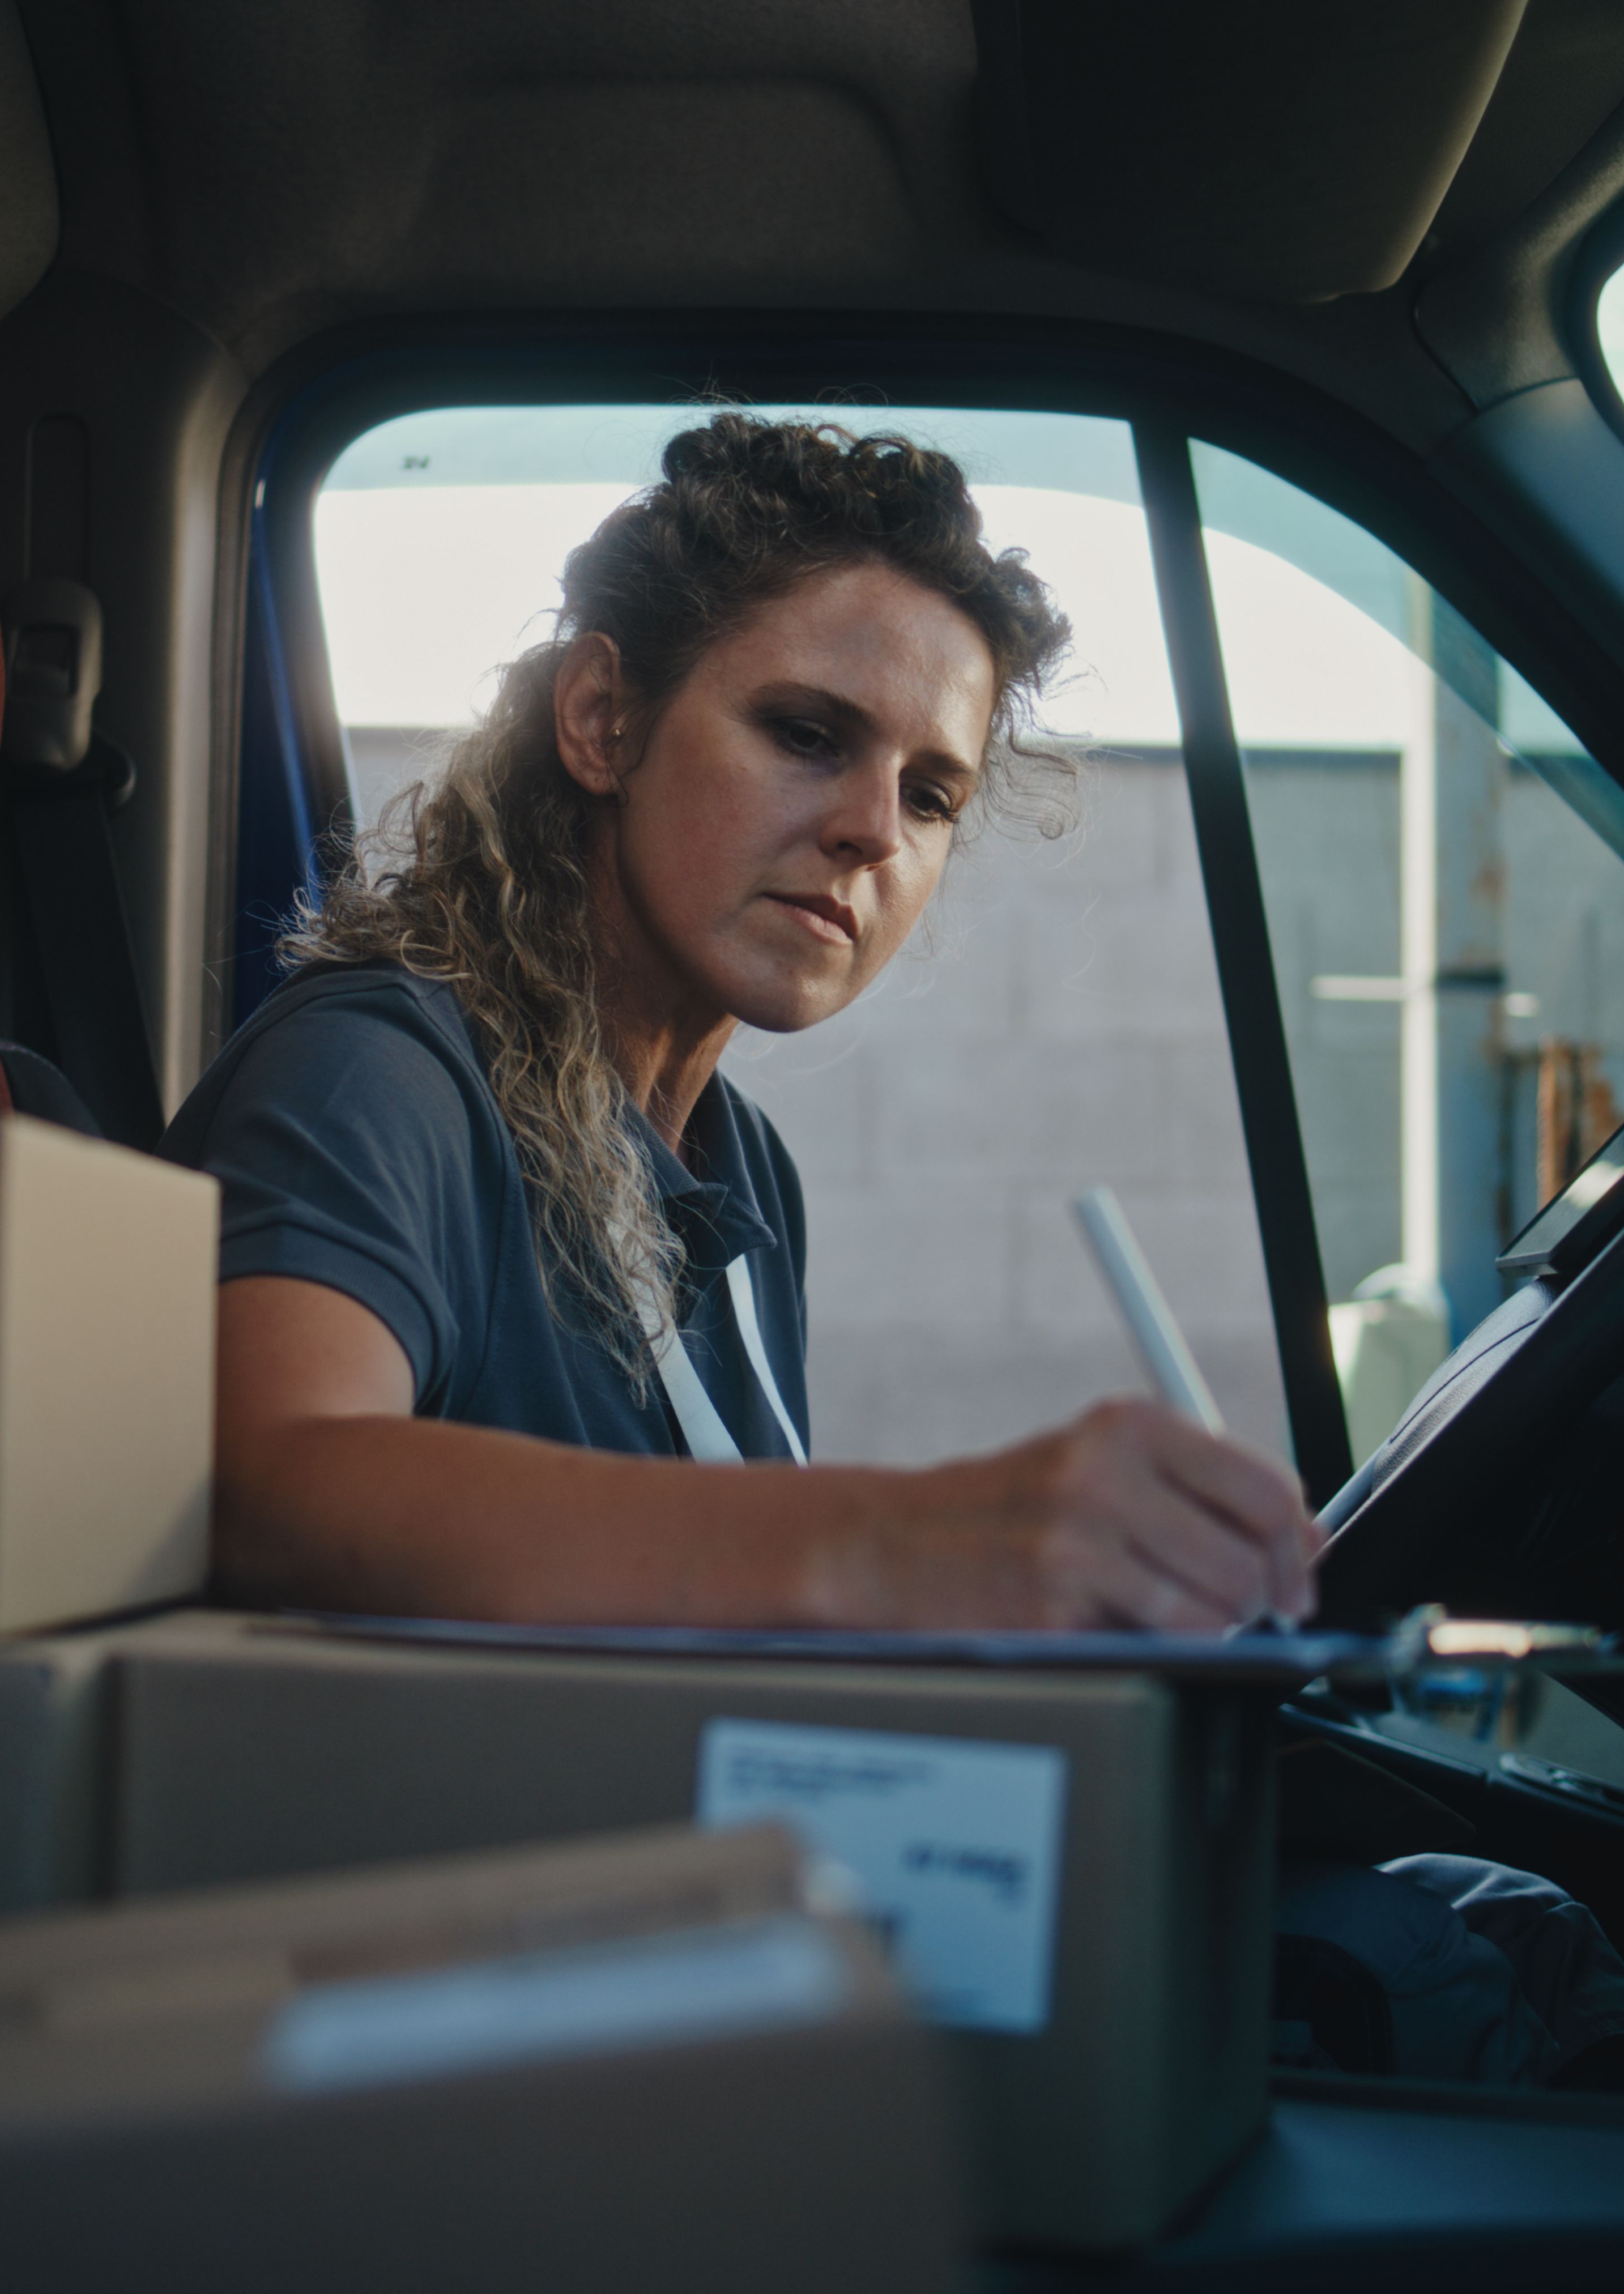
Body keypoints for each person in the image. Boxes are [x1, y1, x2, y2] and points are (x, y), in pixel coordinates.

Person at [163, 411, 1320, 1628]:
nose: (874, 828)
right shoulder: (375, 1076)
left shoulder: (750, 1173)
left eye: (931, 796)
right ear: (605, 719)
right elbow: (263, 1492)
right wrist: (907, 1544)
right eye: (808, 735)